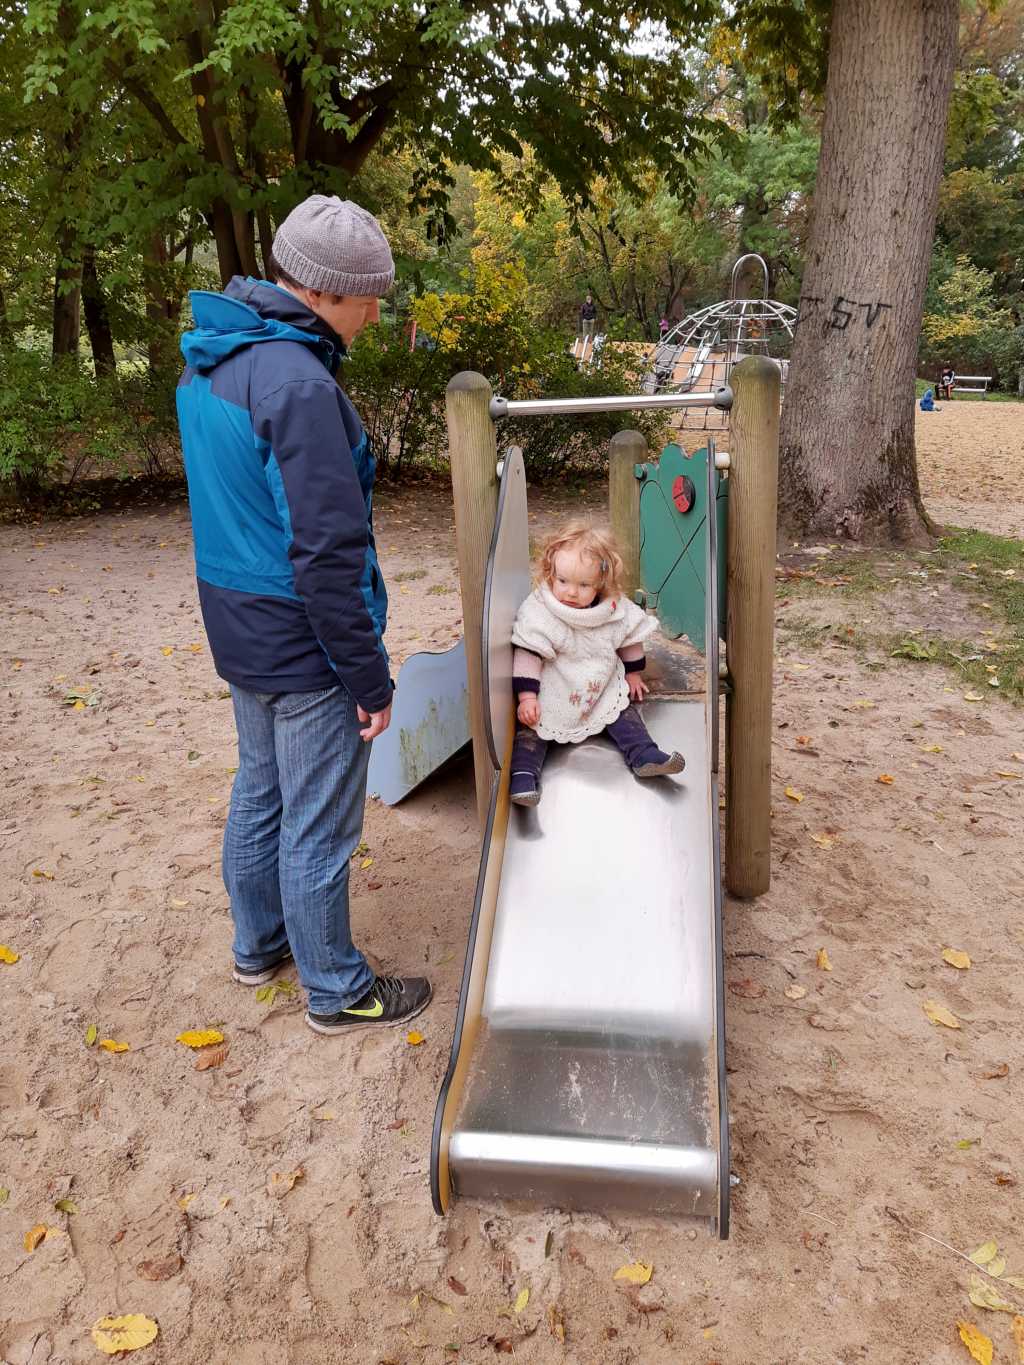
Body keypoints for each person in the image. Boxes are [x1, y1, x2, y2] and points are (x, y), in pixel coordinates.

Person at [175, 195, 431, 1036]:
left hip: (236, 623)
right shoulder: (298, 382)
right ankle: (334, 986)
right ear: (326, 291)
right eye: (371, 295)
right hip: (302, 634)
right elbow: (324, 551)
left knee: (260, 789)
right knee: (318, 821)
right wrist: (367, 676)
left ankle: (258, 945)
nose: (375, 311)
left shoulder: (214, 358)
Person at [508, 522, 686, 806]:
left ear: (601, 583)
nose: (571, 592)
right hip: (554, 687)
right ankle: (523, 776)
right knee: (531, 730)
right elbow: (528, 653)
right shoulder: (540, 611)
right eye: (562, 580)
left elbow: (629, 635)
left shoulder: (612, 609)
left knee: (623, 713)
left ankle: (644, 755)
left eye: (584, 585)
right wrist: (527, 697)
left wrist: (633, 675)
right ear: (551, 572)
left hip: (598, 685)